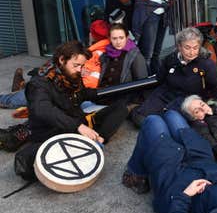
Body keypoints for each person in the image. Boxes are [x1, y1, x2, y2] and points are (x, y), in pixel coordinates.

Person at [0, 41, 129, 178]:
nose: (80, 69)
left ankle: (98, 140)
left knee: (121, 108)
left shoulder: (72, 74)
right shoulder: (38, 84)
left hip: (77, 123)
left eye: (82, 65)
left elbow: (81, 94)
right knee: (26, 162)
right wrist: (78, 126)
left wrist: (101, 93)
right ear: (62, 60)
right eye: (76, 65)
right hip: (53, 131)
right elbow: (42, 109)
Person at [0, 19, 111, 111]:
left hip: (73, 92)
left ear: (92, 35)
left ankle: (19, 89)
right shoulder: (101, 50)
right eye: (77, 65)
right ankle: (21, 87)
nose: (79, 68)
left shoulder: (93, 54)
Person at [130, 27, 217, 126]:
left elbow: (216, 87)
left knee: (169, 124)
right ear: (179, 46)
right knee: (141, 119)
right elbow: (160, 79)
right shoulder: (170, 59)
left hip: (188, 101)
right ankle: (134, 109)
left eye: (195, 48)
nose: (191, 52)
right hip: (166, 94)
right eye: (187, 47)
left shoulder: (206, 64)